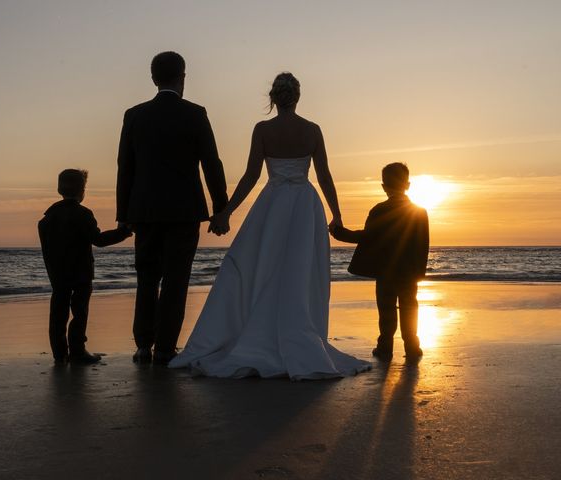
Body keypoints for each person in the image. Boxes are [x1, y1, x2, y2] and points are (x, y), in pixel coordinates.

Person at [169, 72, 371, 379]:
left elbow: (251, 175)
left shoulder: (263, 129)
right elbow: (325, 176)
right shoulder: (312, 130)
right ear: (297, 97)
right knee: (299, 270)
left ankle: (261, 331)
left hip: (273, 203)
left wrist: (226, 212)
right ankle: (297, 332)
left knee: (263, 265)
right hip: (305, 205)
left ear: (273, 98)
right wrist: (337, 215)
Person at [116, 51, 228, 366]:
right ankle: (165, 348)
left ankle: (142, 345)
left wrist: (124, 214)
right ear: (183, 77)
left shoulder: (134, 115)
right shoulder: (195, 114)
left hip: (145, 210)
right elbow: (211, 163)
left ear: (153, 79)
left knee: (146, 278)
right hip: (184, 210)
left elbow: (125, 166)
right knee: (177, 279)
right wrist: (221, 208)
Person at [329, 162, 429, 362]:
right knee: (410, 308)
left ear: (384, 186)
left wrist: (339, 233)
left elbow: (366, 237)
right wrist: (419, 270)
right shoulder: (419, 212)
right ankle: (412, 346)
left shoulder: (379, 210)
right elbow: (423, 244)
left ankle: (385, 347)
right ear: (407, 184)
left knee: (386, 310)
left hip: (385, 271)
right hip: (408, 271)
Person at [38, 169, 132, 365]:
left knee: (58, 313)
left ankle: (59, 354)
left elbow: (47, 251)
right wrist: (122, 232)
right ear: (82, 191)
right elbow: (98, 240)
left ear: (59, 189)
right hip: (81, 273)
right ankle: (77, 351)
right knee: (80, 312)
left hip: (57, 274)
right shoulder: (83, 214)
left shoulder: (47, 219)